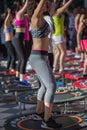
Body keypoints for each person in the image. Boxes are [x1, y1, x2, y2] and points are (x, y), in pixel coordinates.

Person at [27, 0, 62, 129]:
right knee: (51, 86)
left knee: (43, 86)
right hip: (37, 57)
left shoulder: (46, 18)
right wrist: (42, 2)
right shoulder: (35, 18)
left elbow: (53, 9)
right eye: (43, 4)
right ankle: (47, 120)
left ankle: (39, 112)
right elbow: (40, 7)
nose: (46, 5)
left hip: (42, 57)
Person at [12, 0, 30, 86]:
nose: (23, 5)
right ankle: (22, 80)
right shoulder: (19, 14)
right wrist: (27, 1)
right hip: (18, 38)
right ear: (19, 6)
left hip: (19, 38)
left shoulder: (21, 15)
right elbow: (26, 6)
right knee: (24, 59)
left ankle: (18, 77)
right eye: (22, 4)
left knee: (21, 58)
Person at [52, 0, 73, 72]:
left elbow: (65, 9)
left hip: (56, 35)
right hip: (58, 35)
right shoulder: (58, 12)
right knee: (63, 52)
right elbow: (65, 7)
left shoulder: (54, 12)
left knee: (58, 52)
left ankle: (55, 67)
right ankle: (61, 68)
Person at [4, 8, 16, 74]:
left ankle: (7, 70)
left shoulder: (10, 25)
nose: (11, 17)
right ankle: (12, 69)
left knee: (10, 57)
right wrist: (8, 14)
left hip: (10, 42)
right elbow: (6, 21)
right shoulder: (6, 24)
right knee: (13, 56)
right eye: (10, 16)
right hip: (8, 42)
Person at [77, 11, 87, 77]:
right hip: (85, 41)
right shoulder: (83, 22)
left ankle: (85, 72)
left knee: (86, 57)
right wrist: (78, 44)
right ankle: (84, 72)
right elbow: (78, 34)